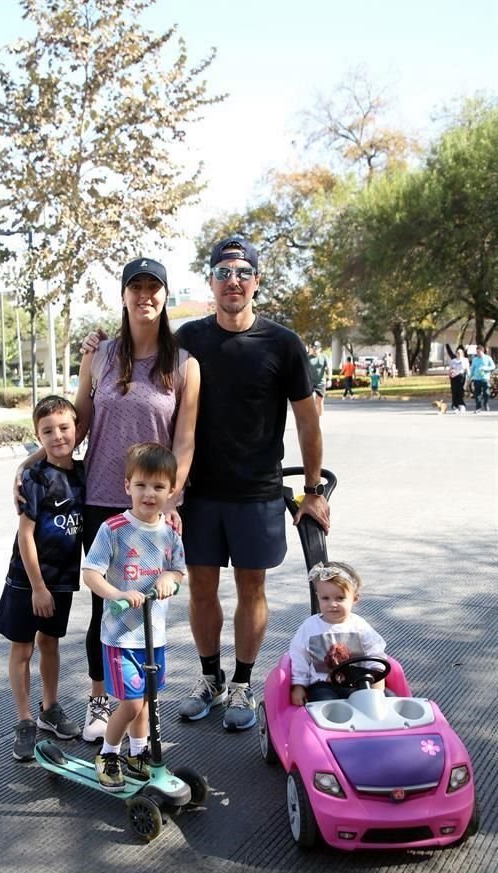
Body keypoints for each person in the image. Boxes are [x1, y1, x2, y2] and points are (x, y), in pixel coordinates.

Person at [16, 258, 200, 744]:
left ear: (165, 296)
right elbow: (78, 423)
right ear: (123, 295)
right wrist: (30, 464)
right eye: (135, 287)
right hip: (98, 501)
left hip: (151, 507)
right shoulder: (99, 355)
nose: (145, 295)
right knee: (106, 608)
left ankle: (134, 707)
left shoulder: (184, 365)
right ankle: (102, 702)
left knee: (146, 606)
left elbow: (184, 442)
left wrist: (171, 499)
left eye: (153, 287)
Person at [173, 235, 329, 732]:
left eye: (242, 273)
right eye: (223, 273)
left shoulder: (282, 343)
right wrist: (95, 346)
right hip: (198, 493)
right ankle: (209, 678)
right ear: (211, 282)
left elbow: (308, 421)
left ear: (256, 281)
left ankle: (241, 683)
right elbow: (136, 363)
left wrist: (312, 491)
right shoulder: (186, 341)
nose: (233, 281)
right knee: (200, 588)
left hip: (257, 490)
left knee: (250, 587)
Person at [82, 443, 186, 791]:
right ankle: (109, 753)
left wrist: (167, 580)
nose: (149, 493)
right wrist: (117, 594)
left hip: (153, 636)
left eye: (158, 487)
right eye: (141, 485)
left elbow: (177, 570)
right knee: (130, 702)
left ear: (171, 490)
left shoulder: (170, 533)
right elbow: (92, 573)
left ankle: (139, 753)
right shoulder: (113, 529)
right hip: (121, 635)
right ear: (127, 486)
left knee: (147, 700)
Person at [0, 395, 84, 761]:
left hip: (62, 579)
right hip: (29, 582)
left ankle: (49, 709)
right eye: (48, 430)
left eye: (64, 428)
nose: (58, 436)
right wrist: (37, 587)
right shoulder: (34, 478)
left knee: (50, 644)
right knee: (23, 649)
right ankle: (25, 720)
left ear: (77, 429)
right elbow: (25, 534)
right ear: (37, 434)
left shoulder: (83, 473)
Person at [289, 561, 386, 705]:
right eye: (325, 598)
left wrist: (377, 686)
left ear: (355, 599)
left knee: (389, 699)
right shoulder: (310, 627)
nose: (332, 604)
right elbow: (299, 658)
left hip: (357, 682)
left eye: (340, 598)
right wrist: (299, 685)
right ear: (318, 597)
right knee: (324, 703)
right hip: (323, 685)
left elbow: (375, 654)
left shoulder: (360, 626)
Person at [307, 341, 332, 416]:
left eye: (316, 348)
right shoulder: (307, 358)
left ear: (320, 349)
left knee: (320, 402)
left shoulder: (324, 357)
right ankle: (311, 418)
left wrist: (329, 379)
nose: (315, 350)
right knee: (311, 401)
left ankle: (319, 420)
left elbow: (329, 368)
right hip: (310, 383)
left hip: (321, 383)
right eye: (313, 348)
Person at [468, 344, 495, 413]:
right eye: (477, 352)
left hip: (485, 378)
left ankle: (486, 403)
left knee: (486, 393)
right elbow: (472, 369)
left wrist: (485, 368)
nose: (478, 354)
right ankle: (478, 408)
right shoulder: (475, 359)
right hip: (477, 379)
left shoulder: (488, 358)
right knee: (477, 394)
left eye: (479, 352)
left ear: (482, 351)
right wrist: (469, 377)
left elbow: (493, 366)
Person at [448, 346, 469, 412]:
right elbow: (450, 368)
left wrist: (469, 376)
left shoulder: (465, 360)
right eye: (457, 352)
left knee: (460, 391)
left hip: (461, 376)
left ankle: (461, 405)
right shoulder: (453, 361)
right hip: (454, 377)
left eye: (460, 352)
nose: (459, 354)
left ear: (462, 353)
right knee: (454, 391)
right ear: (456, 353)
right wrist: (450, 373)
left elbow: (467, 368)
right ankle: (455, 405)